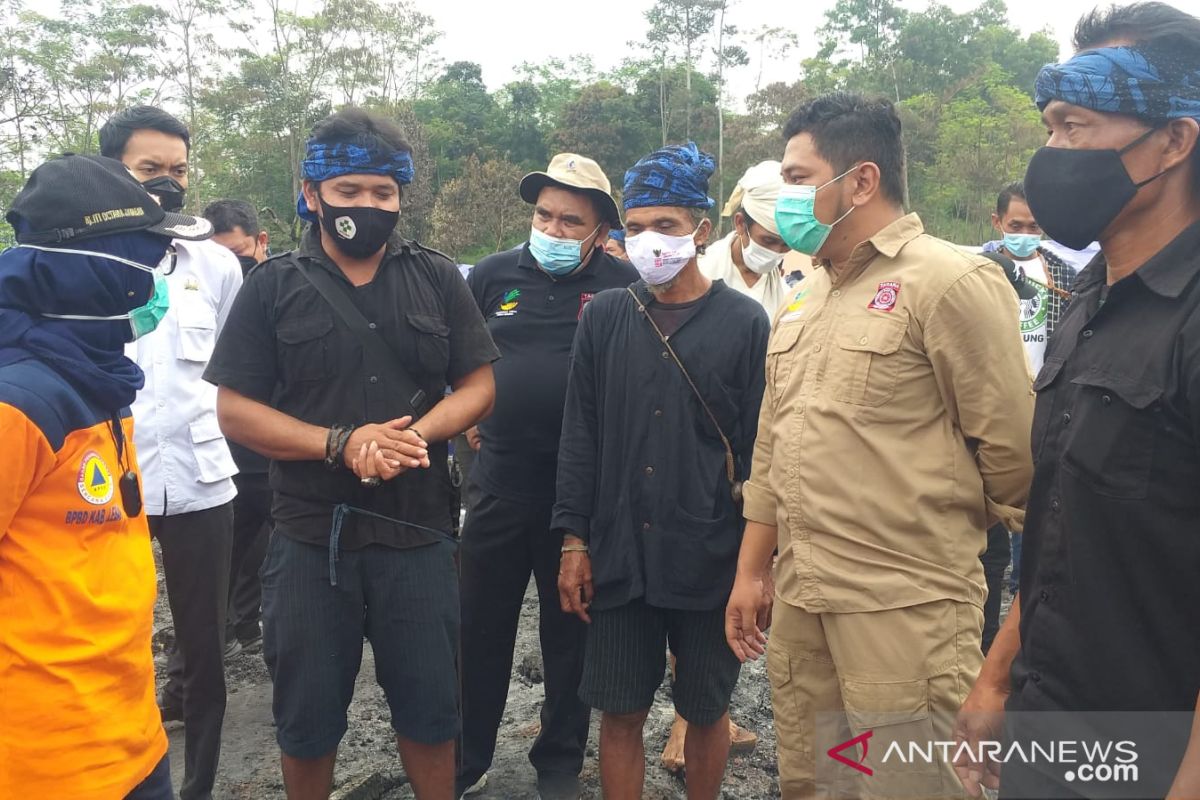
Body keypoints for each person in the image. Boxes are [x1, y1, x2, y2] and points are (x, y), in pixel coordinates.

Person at [723, 92, 1035, 799]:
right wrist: (752, 570)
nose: (785, 197)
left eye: (800, 178)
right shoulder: (808, 294)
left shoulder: (949, 282)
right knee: (818, 783)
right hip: (806, 606)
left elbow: (1018, 467)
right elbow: (773, 448)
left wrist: (1010, 654)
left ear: (861, 181)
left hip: (907, 612)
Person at [204, 107, 498, 800]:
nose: (368, 206)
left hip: (419, 535)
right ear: (312, 194)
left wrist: (412, 436)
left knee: (431, 710)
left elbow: (479, 383)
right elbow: (234, 408)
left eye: (384, 193)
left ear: (401, 198)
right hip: (309, 538)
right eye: (350, 191)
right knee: (306, 718)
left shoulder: (435, 278)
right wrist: (340, 443)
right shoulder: (271, 286)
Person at [955, 6, 1200, 799]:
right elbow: (1063, 524)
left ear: (1173, 141)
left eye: (1074, 125)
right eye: (1049, 128)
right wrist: (997, 677)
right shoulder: (1088, 298)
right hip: (1048, 723)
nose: (1050, 153)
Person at [554, 142, 770, 800]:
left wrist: (757, 569)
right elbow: (581, 430)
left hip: (708, 551)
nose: (650, 240)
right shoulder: (607, 317)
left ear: (700, 231)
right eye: (638, 225)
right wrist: (574, 539)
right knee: (619, 711)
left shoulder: (742, 322)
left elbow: (762, 448)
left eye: (667, 226)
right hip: (620, 549)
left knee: (705, 709)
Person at [1, 153, 214, 799]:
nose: (159, 280)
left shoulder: (96, 382)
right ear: (100, 269)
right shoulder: (20, 403)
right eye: (151, 258)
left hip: (126, 734)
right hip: (46, 762)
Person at [456, 153, 636, 800]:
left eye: (570, 221)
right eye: (544, 215)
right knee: (478, 629)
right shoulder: (494, 274)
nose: (553, 231)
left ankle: (558, 765)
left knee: (570, 639)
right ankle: (466, 759)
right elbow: (463, 359)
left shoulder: (625, 285)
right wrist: (467, 430)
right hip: (498, 484)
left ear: (599, 230)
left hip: (581, 499)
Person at [100, 105, 243, 800]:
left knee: (204, 649)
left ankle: (201, 786)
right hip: (105, 485)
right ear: (110, 173)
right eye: (149, 170)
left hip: (201, 478)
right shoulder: (81, 266)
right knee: (113, 637)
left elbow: (236, 371)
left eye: (178, 170)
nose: (167, 184)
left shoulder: (215, 265)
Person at [978, 181, 1078, 651]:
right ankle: (984, 638)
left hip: (1046, 414)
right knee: (989, 536)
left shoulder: (1061, 273)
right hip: (990, 419)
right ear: (997, 223)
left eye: (1034, 227)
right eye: (1016, 225)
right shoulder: (975, 270)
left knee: (1036, 531)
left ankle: (1027, 635)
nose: (1024, 234)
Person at [204, 199, 274, 655]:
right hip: (226, 440)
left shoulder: (284, 285)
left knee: (268, 541)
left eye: (238, 253)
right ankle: (222, 627)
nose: (229, 267)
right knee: (232, 539)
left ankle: (248, 622)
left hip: (281, 437)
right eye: (218, 257)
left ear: (260, 242)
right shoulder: (203, 290)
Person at [700, 160, 791, 312]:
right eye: (768, 240)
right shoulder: (703, 273)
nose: (776, 252)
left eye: (787, 245)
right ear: (741, 224)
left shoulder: (785, 295)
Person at [206, 198, 270, 272]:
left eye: (236, 252)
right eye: (218, 256)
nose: (228, 263)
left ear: (262, 241)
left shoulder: (283, 281)